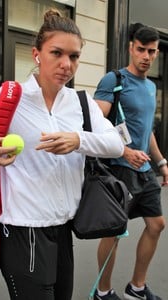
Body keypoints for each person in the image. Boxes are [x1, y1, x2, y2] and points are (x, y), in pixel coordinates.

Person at [0, 9, 124, 300]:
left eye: (74, 56)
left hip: (63, 227)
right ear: (37, 54)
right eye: (57, 53)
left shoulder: (81, 102)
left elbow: (116, 144)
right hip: (23, 226)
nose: (66, 64)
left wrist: (77, 140)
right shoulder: (11, 98)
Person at [93, 23, 168, 300]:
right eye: (141, 50)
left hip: (146, 170)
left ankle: (136, 288)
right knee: (113, 233)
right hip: (119, 170)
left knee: (157, 224)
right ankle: (103, 291)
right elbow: (96, 126)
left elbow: (146, 131)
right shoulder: (113, 81)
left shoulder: (150, 86)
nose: (146, 56)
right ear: (130, 48)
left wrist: (161, 162)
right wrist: (124, 152)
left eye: (152, 51)